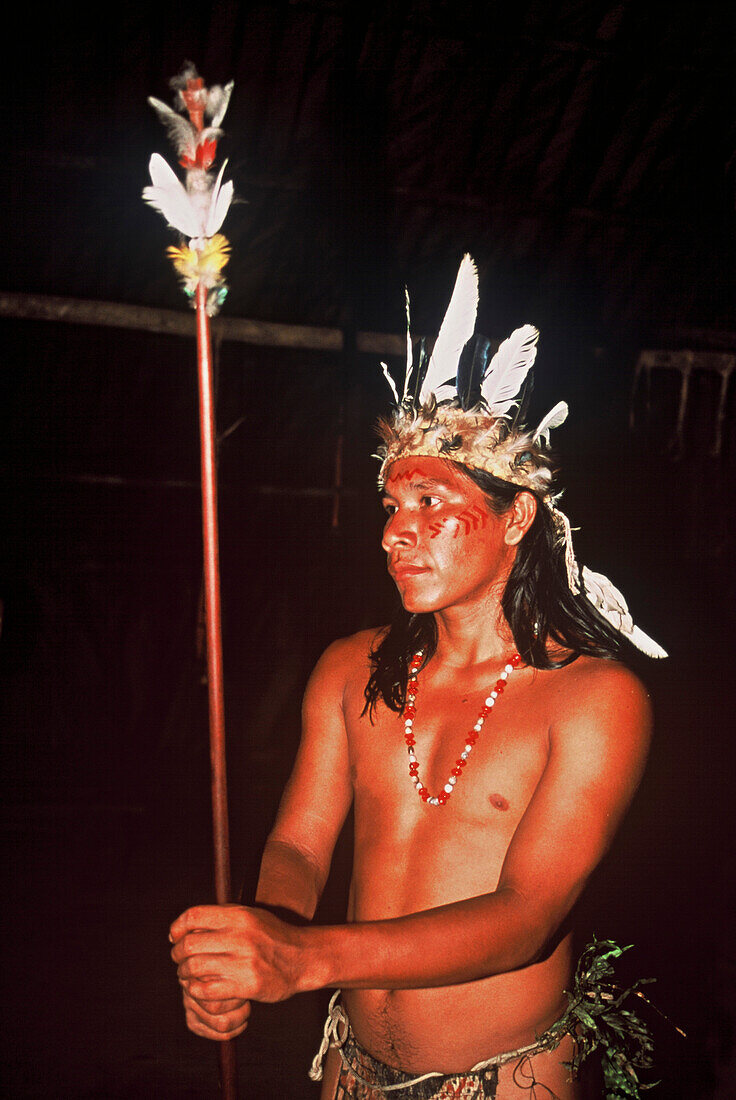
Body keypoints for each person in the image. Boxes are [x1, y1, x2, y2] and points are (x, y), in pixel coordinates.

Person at [169, 256, 666, 1098]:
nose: (398, 533)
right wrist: (258, 938)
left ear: (516, 515)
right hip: (351, 1070)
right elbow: (297, 842)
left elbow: (525, 919)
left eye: (432, 504)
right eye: (392, 508)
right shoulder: (349, 671)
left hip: (509, 1079)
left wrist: (304, 956)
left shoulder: (594, 700)